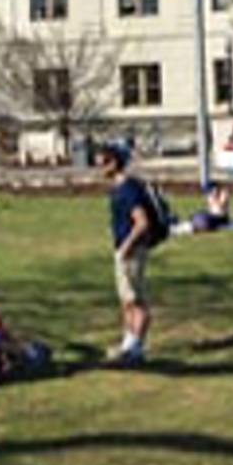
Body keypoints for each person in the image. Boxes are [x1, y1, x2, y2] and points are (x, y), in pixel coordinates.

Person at [98, 143, 154, 365]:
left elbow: (142, 222)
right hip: (124, 249)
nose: (99, 166)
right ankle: (127, 344)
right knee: (126, 300)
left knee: (135, 300)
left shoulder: (127, 189)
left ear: (114, 163)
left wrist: (126, 247)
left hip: (131, 251)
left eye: (103, 161)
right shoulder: (119, 188)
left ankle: (136, 348)